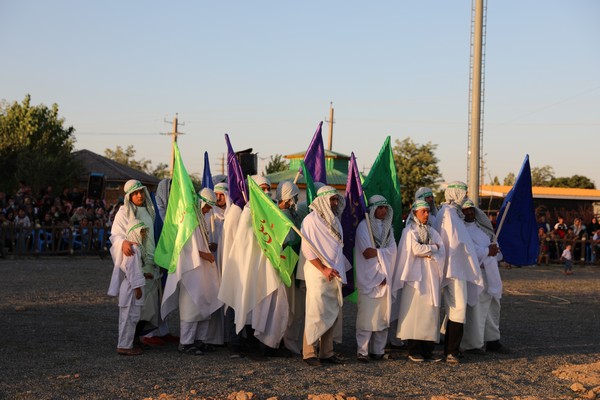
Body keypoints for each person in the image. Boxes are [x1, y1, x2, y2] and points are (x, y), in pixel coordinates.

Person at [161, 188, 222, 355]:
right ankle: (186, 342)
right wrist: (205, 254)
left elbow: (199, 242)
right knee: (191, 306)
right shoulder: (188, 220)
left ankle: (200, 340)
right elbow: (184, 247)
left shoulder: (200, 218)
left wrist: (208, 248)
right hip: (190, 270)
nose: (208, 210)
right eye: (207, 206)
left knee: (204, 303)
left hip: (203, 270)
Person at [300, 185, 351, 367]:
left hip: (334, 273)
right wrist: (323, 269)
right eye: (332, 199)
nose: (335, 203)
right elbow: (308, 250)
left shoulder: (335, 221)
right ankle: (309, 353)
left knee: (332, 313)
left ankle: (326, 353)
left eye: (336, 199)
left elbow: (337, 250)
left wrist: (340, 272)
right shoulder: (310, 221)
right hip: (318, 272)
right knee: (316, 312)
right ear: (322, 200)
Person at [433, 181, 482, 364]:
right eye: (463, 193)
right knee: (457, 308)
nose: (466, 196)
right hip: (454, 269)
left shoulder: (453, 213)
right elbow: (453, 243)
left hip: (458, 268)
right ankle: (451, 351)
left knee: (457, 309)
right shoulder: (447, 213)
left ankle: (453, 349)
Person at [110, 180, 162, 346]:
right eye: (135, 193)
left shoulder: (149, 210)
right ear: (129, 196)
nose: (139, 196)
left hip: (151, 263)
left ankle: (137, 337)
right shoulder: (124, 212)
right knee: (137, 306)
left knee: (150, 306)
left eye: (141, 192)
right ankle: (129, 341)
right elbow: (115, 235)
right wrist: (123, 243)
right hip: (136, 262)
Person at [394, 200, 445, 362]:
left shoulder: (432, 231)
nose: (426, 214)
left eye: (428, 211)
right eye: (423, 211)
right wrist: (432, 249)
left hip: (431, 277)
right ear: (415, 213)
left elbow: (442, 248)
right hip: (415, 280)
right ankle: (414, 350)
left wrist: (430, 250)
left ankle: (427, 351)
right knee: (414, 314)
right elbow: (415, 249)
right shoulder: (410, 231)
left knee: (430, 314)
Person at [460, 199, 509, 355]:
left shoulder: (484, 228)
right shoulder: (461, 230)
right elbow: (468, 250)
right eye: (465, 210)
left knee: (493, 307)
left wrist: (494, 249)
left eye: (471, 209)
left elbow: (493, 246)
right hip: (475, 274)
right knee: (476, 309)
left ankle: (493, 340)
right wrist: (488, 251)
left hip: (491, 272)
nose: (468, 212)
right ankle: (472, 344)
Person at [355, 195, 398, 362]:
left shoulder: (389, 229)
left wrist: (379, 253)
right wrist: (383, 253)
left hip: (385, 277)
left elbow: (394, 251)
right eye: (380, 208)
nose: (383, 211)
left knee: (383, 317)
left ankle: (378, 351)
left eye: (385, 208)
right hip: (369, 277)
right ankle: (362, 351)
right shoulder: (363, 227)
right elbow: (366, 253)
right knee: (366, 317)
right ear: (372, 209)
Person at [107, 219, 148, 356]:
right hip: (131, 288)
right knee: (129, 318)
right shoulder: (133, 249)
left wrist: (144, 275)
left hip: (130, 285)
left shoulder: (136, 248)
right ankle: (124, 346)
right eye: (141, 232)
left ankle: (126, 344)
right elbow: (132, 270)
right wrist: (137, 289)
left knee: (130, 318)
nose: (143, 235)